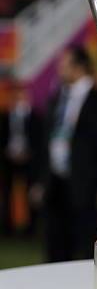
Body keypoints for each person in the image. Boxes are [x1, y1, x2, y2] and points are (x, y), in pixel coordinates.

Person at [32, 45, 97, 262]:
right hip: (56, 183)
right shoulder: (56, 99)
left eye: (64, 65)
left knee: (85, 246)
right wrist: (41, 181)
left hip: (88, 185)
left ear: (79, 67)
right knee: (55, 246)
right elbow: (46, 143)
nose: (60, 70)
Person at [0, 82, 42, 235]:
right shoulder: (5, 116)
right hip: (9, 160)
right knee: (7, 193)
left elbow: (38, 140)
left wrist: (28, 153)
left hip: (29, 161)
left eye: (21, 95)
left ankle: (30, 229)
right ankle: (7, 227)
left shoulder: (35, 117)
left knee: (30, 193)